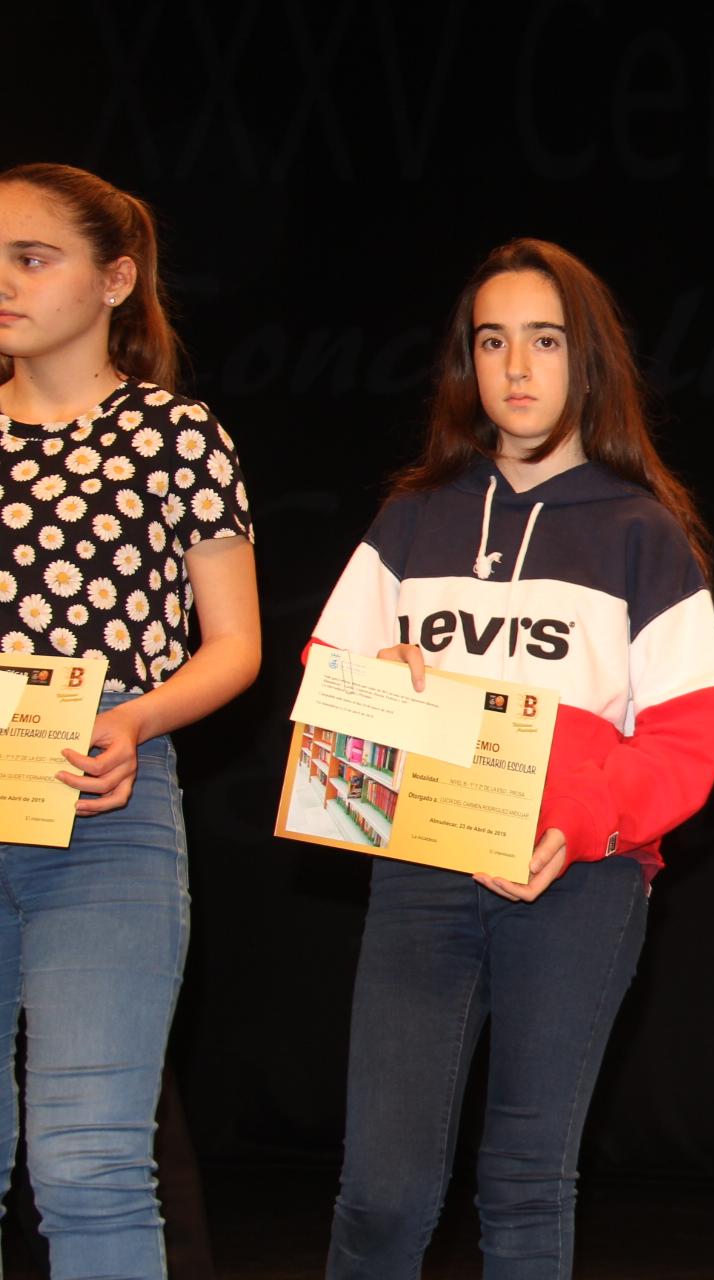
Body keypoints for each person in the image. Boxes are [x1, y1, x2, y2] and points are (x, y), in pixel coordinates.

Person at [310, 239, 714, 1277]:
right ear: (467, 362)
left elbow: (690, 729)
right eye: (492, 340)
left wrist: (580, 824)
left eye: (545, 340)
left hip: (578, 879)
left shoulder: (642, 532)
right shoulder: (411, 518)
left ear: (588, 359)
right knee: (382, 1191)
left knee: (526, 1182)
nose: (517, 366)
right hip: (422, 871)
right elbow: (328, 696)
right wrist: (378, 687)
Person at [0, 162, 260, 1275]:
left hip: (103, 797)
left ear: (115, 279)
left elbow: (236, 644)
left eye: (31, 257)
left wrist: (138, 721)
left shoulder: (172, 434)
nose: (4, 281)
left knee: (88, 1158)